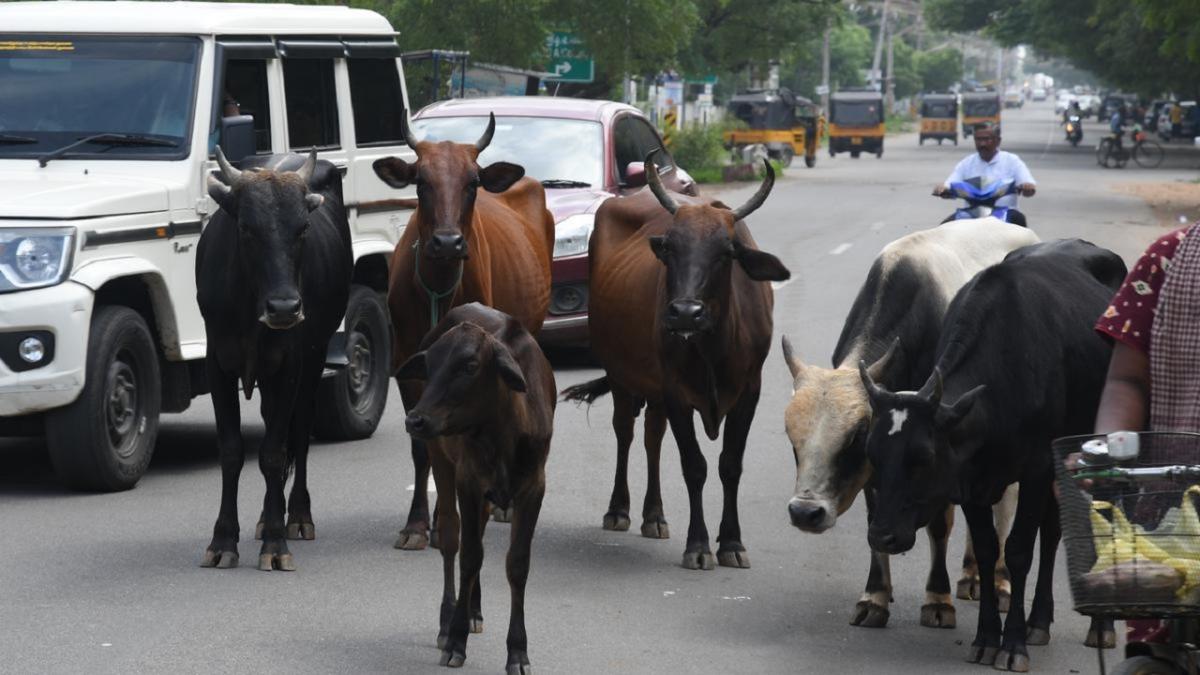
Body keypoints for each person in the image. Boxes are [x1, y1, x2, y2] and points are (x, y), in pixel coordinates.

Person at [1092, 223, 1200, 647]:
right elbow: (1128, 381)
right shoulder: (1169, 258)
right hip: (1172, 514)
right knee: (1163, 647)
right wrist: (1104, 449)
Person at [932, 121, 1036, 227]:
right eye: (978, 139)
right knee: (944, 227)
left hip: (1005, 214)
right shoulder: (967, 163)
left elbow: (1027, 182)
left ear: (998, 141)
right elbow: (950, 183)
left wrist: (1028, 187)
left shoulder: (1012, 161)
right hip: (970, 214)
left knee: (1020, 220)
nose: (982, 144)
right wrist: (943, 188)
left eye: (987, 139)